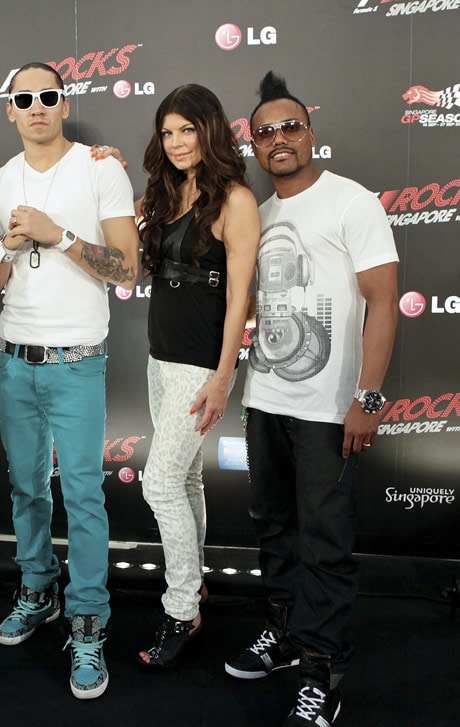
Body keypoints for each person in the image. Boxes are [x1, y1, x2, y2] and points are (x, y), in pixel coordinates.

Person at [225, 71, 399, 726]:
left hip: (330, 408)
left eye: (290, 126)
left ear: (311, 132)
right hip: (265, 399)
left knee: (325, 538)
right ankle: (285, 633)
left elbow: (383, 300)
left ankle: (323, 666)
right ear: (253, 144)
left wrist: (370, 396)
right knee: (273, 524)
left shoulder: (351, 202)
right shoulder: (258, 215)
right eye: (265, 131)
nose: (278, 139)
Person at [0, 61, 139, 700]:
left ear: (64, 102)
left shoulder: (101, 167)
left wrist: (60, 235)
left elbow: (126, 270)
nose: (38, 106)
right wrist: (5, 249)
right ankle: (38, 589)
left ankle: (88, 619)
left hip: (77, 361)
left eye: (49, 95)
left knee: (83, 495)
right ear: (11, 110)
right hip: (15, 358)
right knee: (25, 487)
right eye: (26, 98)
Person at [130, 85, 260, 670]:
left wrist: (223, 375)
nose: (178, 142)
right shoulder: (167, 192)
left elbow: (239, 300)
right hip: (160, 357)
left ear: (211, 130)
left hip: (200, 363)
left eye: (188, 129)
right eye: (168, 132)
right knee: (183, 483)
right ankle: (196, 583)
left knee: (158, 485)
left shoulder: (235, 199)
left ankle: (182, 609)